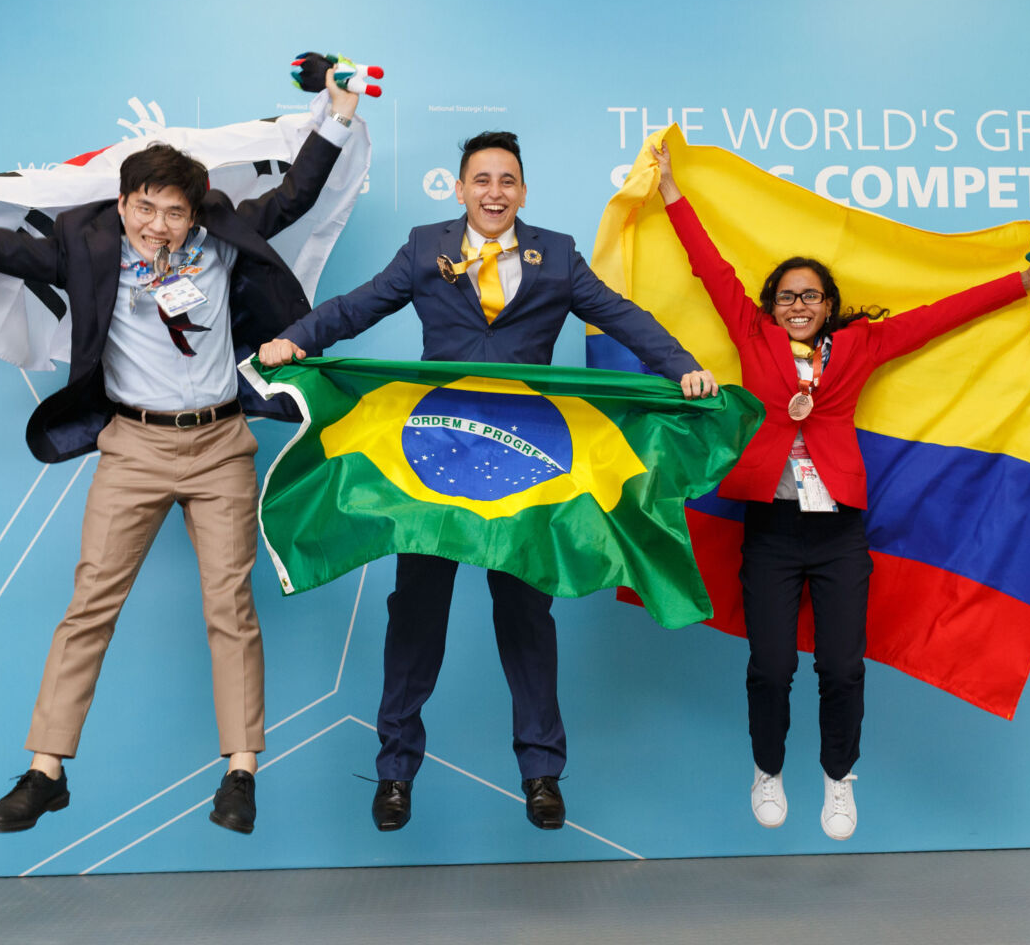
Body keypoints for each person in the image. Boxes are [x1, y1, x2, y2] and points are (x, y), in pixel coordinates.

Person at [0, 71, 361, 836]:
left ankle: (241, 769)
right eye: (143, 207)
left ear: (194, 213)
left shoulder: (222, 246)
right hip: (134, 448)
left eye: (173, 211)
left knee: (231, 609)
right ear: (122, 205)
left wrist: (341, 114)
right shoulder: (87, 253)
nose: (157, 224)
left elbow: (298, 196)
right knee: (89, 607)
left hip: (221, 446)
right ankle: (45, 771)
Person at [259, 130, 717, 832]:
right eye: (482, 179)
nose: (495, 191)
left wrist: (680, 364)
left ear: (523, 191)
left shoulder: (557, 255)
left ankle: (541, 774)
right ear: (460, 188)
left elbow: (621, 316)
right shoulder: (423, 247)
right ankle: (394, 774)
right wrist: (299, 339)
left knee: (526, 615)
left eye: (507, 180)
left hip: (528, 461)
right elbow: (358, 305)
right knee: (415, 613)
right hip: (434, 454)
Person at [651, 141, 1030, 841]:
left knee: (841, 666)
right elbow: (710, 267)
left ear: (828, 306)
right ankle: (767, 770)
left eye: (811, 296)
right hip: (769, 529)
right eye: (787, 295)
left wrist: (1023, 280)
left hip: (838, 534)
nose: (799, 305)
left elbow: (940, 315)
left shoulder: (858, 348)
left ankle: (836, 778)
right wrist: (673, 193)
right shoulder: (753, 336)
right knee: (769, 666)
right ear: (773, 304)